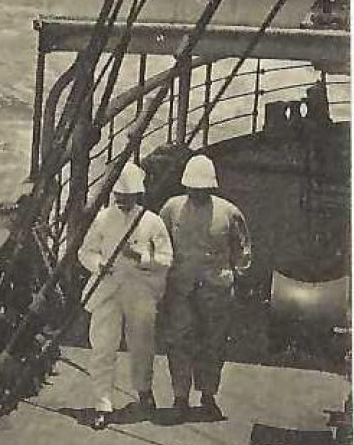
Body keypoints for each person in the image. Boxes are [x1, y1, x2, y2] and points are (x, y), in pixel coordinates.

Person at [158, 155, 252, 423]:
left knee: (213, 343)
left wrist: (237, 278)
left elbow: (243, 250)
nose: (196, 193)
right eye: (192, 188)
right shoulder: (171, 208)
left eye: (202, 189)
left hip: (217, 289)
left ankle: (208, 396)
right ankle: (179, 397)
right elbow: (160, 242)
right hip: (181, 287)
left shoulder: (230, 213)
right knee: (179, 341)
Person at [79, 162, 173, 424]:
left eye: (127, 198)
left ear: (137, 196)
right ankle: (103, 403)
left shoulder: (152, 222)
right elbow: (85, 252)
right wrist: (99, 265)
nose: (122, 202)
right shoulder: (102, 218)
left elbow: (166, 259)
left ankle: (144, 392)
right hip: (107, 290)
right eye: (119, 197)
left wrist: (142, 258)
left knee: (142, 345)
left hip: (140, 291)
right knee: (103, 346)